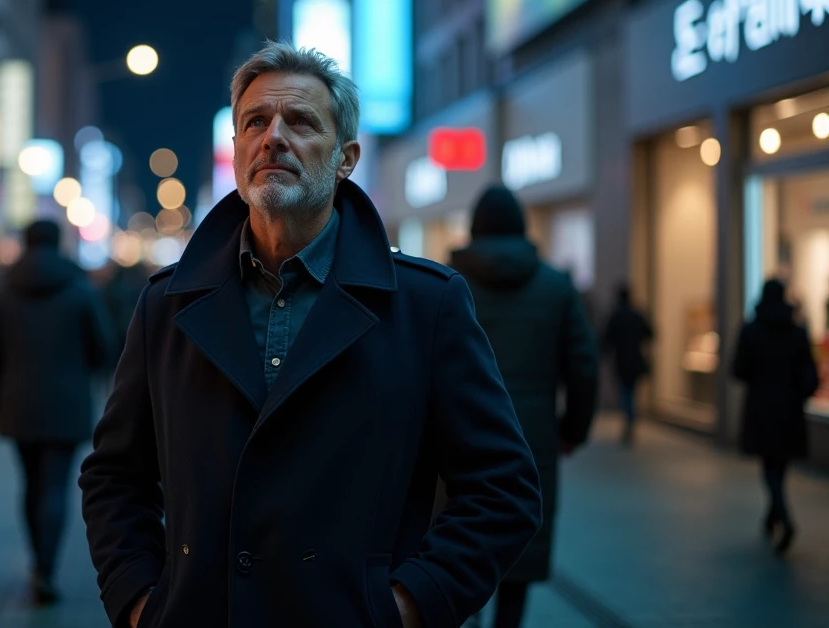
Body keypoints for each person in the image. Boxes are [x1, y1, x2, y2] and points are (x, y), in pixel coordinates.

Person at [80, 42, 542, 628]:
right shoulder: (165, 306)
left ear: (345, 158)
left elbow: (504, 491)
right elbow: (114, 476)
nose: (273, 136)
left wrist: (405, 606)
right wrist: (141, 602)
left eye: (300, 121)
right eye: (255, 122)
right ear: (238, 149)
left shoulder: (427, 304)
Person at [449, 186, 598, 628]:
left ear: (474, 230)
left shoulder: (446, 283)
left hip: (456, 436)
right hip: (531, 437)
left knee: (457, 547)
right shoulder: (556, 288)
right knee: (519, 553)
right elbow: (584, 367)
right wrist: (573, 430)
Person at [0, 220, 114, 605]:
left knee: (31, 483)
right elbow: (103, 349)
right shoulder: (80, 290)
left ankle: (37, 560)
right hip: (66, 404)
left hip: (17, 403)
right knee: (54, 484)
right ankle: (47, 569)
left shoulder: (3, 292)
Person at [733, 279, 820, 556]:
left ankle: (783, 517)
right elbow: (809, 371)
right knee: (778, 464)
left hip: (762, 406)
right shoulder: (796, 331)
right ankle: (772, 517)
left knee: (770, 465)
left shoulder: (752, 330)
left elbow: (739, 370)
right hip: (790, 406)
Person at [602, 283, 654, 446]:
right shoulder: (637, 314)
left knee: (626, 392)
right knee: (630, 391)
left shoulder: (616, 316)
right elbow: (650, 333)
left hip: (622, 361)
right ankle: (630, 419)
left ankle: (629, 419)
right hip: (636, 360)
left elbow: (607, 340)